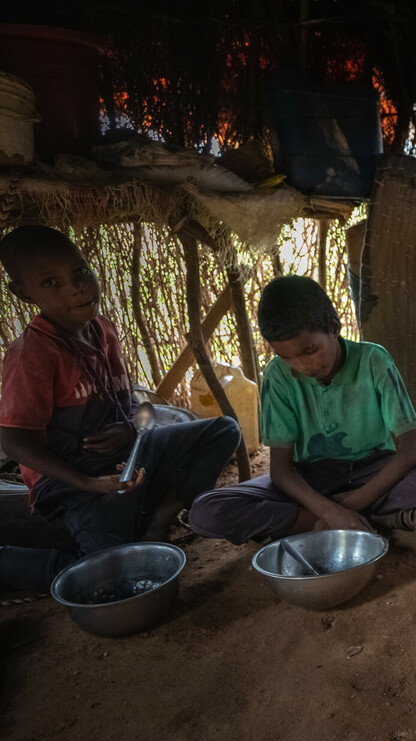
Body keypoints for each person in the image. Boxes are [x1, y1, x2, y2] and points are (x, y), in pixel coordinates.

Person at [0, 225, 241, 590]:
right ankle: (28, 566)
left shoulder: (103, 330)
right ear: (22, 292)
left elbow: (135, 404)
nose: (75, 287)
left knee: (223, 430)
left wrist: (130, 428)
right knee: (115, 576)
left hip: (129, 459)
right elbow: (15, 441)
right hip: (74, 482)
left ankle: (159, 519)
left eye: (80, 271)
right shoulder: (32, 354)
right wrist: (87, 482)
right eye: (51, 282)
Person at [188, 275, 416, 543]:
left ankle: (321, 521)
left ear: (334, 327)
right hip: (311, 480)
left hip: (375, 471)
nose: (302, 366)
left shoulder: (373, 360)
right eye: (287, 357)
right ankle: (377, 518)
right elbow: (282, 472)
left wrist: (347, 505)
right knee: (207, 511)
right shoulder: (277, 377)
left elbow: (412, 449)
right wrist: (330, 510)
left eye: (309, 351)